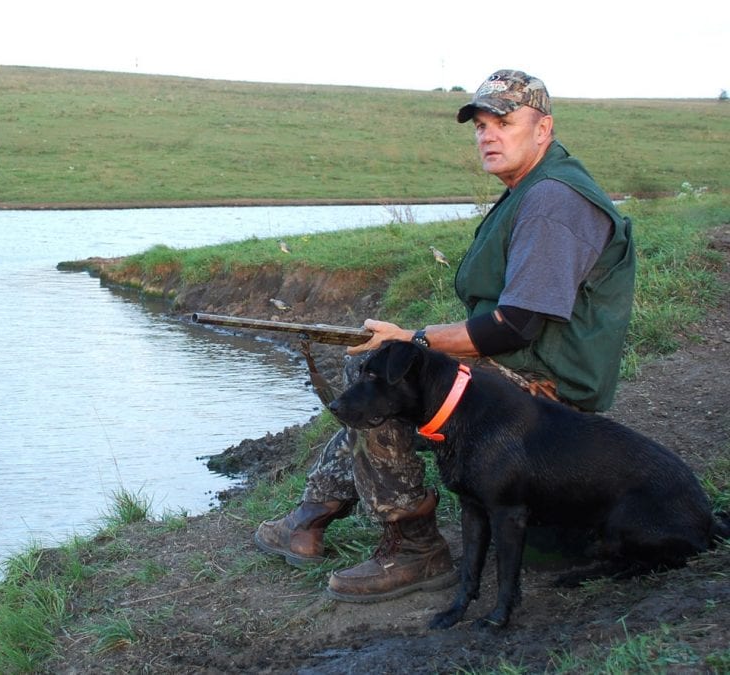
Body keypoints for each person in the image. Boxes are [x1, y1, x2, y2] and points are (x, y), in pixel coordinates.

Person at [254, 69, 637, 603]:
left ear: (543, 128)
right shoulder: (531, 188)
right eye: (480, 125)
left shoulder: (554, 201)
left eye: (503, 122)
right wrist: (413, 343)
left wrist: (416, 340)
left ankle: (416, 548)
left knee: (382, 374)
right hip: (522, 365)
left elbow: (514, 327)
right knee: (381, 367)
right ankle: (312, 513)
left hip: (547, 387)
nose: (488, 135)